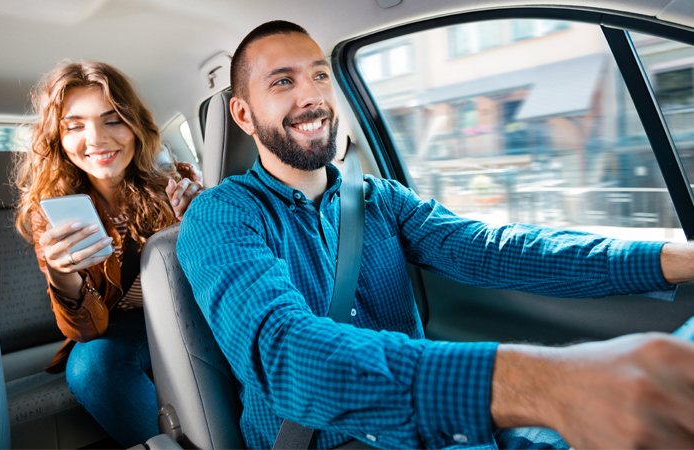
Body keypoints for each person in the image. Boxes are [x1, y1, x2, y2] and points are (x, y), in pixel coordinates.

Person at [177, 21, 694, 449]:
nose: (312, 97)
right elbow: (287, 354)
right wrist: (547, 383)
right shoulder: (221, 217)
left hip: (443, 430)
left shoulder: (380, 198)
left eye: (319, 75)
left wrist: (675, 258)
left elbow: (495, 251)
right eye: (282, 82)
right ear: (243, 114)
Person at [15, 61, 203, 447]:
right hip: (119, 328)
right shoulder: (49, 213)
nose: (96, 139)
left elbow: (210, 280)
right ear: (58, 138)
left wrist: (199, 223)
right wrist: (62, 272)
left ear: (136, 126)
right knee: (90, 368)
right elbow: (87, 331)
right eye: (75, 125)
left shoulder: (177, 181)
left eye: (113, 119)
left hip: (185, 311)